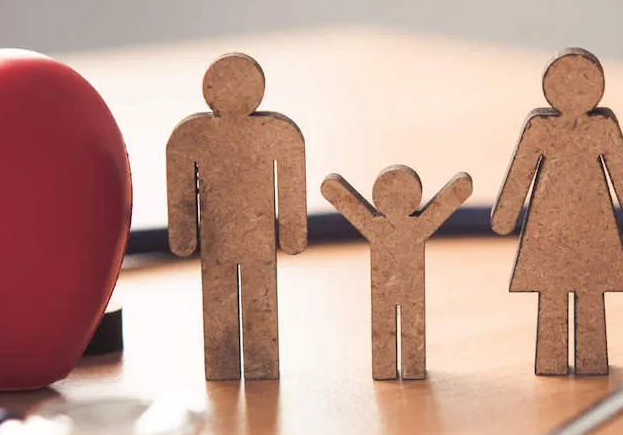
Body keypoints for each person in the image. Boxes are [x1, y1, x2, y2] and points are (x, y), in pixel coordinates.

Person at [490, 48, 623, 375]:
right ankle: (551, 361)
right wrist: (505, 215)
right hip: (547, 224)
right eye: (566, 83)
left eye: (583, 83)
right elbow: (521, 170)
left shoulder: (602, 128)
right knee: (551, 291)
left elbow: (621, 172)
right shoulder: (540, 128)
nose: (574, 92)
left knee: (591, 289)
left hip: (594, 223)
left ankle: (591, 361)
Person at [166, 53, 307, 380]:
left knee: (258, 299)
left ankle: (256, 362)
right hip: (219, 239)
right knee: (221, 301)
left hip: (255, 239)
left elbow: (290, 181)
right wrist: (184, 235)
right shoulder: (192, 136)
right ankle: (228, 362)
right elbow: (181, 188)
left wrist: (292, 233)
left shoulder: (276, 133)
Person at [321, 166, 473, 379]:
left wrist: (332, 189)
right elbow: (446, 203)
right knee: (394, 326)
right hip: (391, 288)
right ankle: (397, 368)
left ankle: (403, 368)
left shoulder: (390, 226)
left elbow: (346, 202)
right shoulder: (399, 226)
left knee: (407, 326)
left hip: (403, 289)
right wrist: (460, 188)